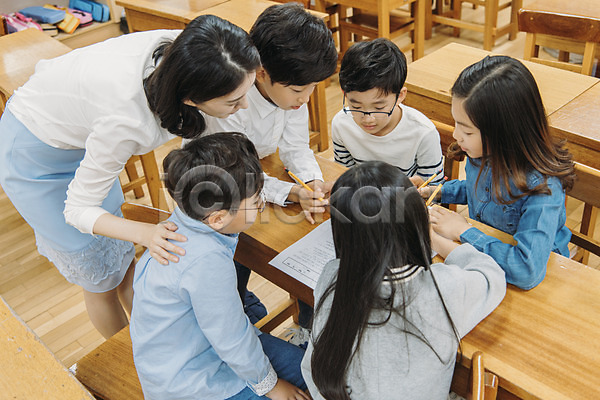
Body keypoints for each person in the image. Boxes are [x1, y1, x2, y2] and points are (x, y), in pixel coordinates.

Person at [0, 15, 261, 338]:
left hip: (80, 132)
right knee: (99, 278)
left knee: (121, 261)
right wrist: (146, 233)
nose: (245, 105)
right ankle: (130, 363)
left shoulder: (196, 52)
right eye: (234, 101)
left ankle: (154, 340)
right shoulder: (124, 120)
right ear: (191, 99)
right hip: (34, 153)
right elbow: (78, 210)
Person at [301, 161, 506, 400]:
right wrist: (434, 239)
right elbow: (491, 275)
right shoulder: (441, 288)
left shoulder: (331, 276)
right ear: (415, 223)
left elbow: (313, 372)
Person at [130, 133, 308, 400]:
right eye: (257, 200)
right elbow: (231, 339)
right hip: (194, 381)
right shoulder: (206, 262)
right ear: (217, 218)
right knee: (310, 376)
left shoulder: (181, 221)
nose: (260, 204)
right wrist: (270, 386)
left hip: (179, 352)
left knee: (296, 361)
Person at [200, 2, 338, 338]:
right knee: (231, 266)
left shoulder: (291, 92)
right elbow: (234, 172)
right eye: (297, 90)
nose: (305, 98)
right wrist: (290, 192)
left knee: (302, 245)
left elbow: (294, 147)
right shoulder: (230, 102)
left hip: (258, 173)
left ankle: (302, 327)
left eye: (312, 88)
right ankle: (232, 313)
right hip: (217, 183)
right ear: (261, 72)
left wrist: (312, 180)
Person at [421, 55, 576, 290]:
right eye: (456, 123)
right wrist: (437, 192)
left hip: (537, 280)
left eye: (467, 131)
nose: (455, 135)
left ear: (505, 132)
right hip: (488, 259)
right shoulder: (482, 154)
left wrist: (465, 231)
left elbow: (527, 271)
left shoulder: (542, 188)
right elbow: (480, 191)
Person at [333, 38, 444, 186]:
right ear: (345, 94)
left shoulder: (423, 133)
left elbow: (434, 189)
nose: (368, 119)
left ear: (400, 96)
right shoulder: (341, 124)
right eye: (356, 106)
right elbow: (345, 175)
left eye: (379, 108)